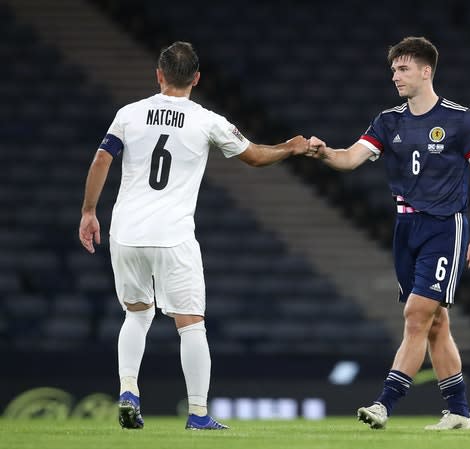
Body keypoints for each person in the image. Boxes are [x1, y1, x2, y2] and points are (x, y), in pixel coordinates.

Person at [78, 41, 309, 430]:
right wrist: (291, 147)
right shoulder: (206, 120)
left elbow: (102, 158)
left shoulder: (129, 114)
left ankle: (129, 391)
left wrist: (88, 212)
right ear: (197, 78)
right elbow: (253, 155)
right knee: (191, 324)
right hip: (173, 235)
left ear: (159, 75)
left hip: (126, 232)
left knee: (136, 314)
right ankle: (199, 414)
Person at [307, 36, 470, 430]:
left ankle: (384, 404)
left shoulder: (460, 120)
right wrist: (324, 152)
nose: (395, 75)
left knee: (416, 315)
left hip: (445, 226)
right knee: (435, 323)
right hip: (405, 227)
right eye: (394, 69)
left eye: (403, 68)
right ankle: (459, 410)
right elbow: (350, 159)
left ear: (426, 71)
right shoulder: (388, 120)